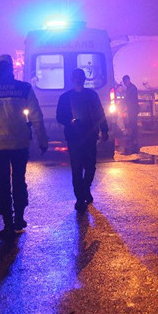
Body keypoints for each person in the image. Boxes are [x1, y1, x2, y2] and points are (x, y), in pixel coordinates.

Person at [0, 54, 48, 239]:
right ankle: (19, 219)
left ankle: (7, 224)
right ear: (12, 68)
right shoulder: (24, 88)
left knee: (2, 184)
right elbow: (37, 116)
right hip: (19, 143)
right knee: (19, 180)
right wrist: (42, 140)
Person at [57, 68, 109, 211]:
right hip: (76, 137)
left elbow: (100, 113)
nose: (79, 80)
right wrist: (70, 120)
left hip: (87, 136)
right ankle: (80, 197)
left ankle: (84, 191)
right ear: (74, 80)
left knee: (88, 166)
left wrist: (104, 129)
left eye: (81, 78)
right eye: (77, 78)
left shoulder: (91, 95)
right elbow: (60, 116)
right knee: (79, 167)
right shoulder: (67, 97)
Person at [121, 74, 140, 154]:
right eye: (124, 82)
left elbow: (130, 99)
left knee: (133, 123)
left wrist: (125, 102)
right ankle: (133, 137)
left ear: (128, 80)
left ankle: (134, 138)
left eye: (125, 81)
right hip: (132, 108)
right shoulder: (130, 88)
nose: (125, 83)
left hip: (133, 108)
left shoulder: (132, 88)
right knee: (132, 122)